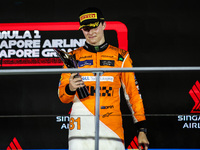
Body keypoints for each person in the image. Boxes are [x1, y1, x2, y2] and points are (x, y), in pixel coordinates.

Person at [58, 7, 149, 150]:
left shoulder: (121, 56)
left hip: (111, 126)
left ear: (104, 25)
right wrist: (70, 88)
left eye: (94, 27)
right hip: (80, 126)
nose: (91, 32)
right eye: (86, 29)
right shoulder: (72, 57)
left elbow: (133, 95)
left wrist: (141, 130)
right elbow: (63, 97)